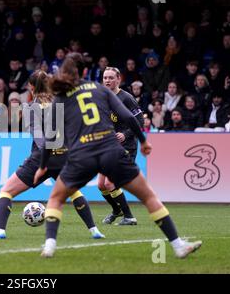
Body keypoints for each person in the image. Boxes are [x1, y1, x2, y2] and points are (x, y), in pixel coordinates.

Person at [35, 55, 201, 258]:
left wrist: (43, 165)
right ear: (86, 71)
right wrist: (144, 141)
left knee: (56, 198)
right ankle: (178, 246)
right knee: (149, 196)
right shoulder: (100, 89)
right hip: (110, 150)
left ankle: (50, 246)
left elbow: (50, 135)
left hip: (82, 154)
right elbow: (129, 117)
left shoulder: (61, 96)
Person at [0, 70, 105, 240]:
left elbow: (40, 140)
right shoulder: (62, 103)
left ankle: (0, 230)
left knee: (6, 191)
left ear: (31, 86)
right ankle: (94, 230)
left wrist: (40, 161)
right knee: (74, 192)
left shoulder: (31, 108)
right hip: (64, 156)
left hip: (41, 159)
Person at [98, 67, 143, 226]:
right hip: (108, 146)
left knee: (110, 183)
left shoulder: (127, 98)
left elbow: (140, 122)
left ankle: (129, 216)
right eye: (105, 78)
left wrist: (126, 134)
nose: (107, 80)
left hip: (126, 146)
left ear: (119, 79)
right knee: (101, 185)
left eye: (111, 77)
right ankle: (116, 211)